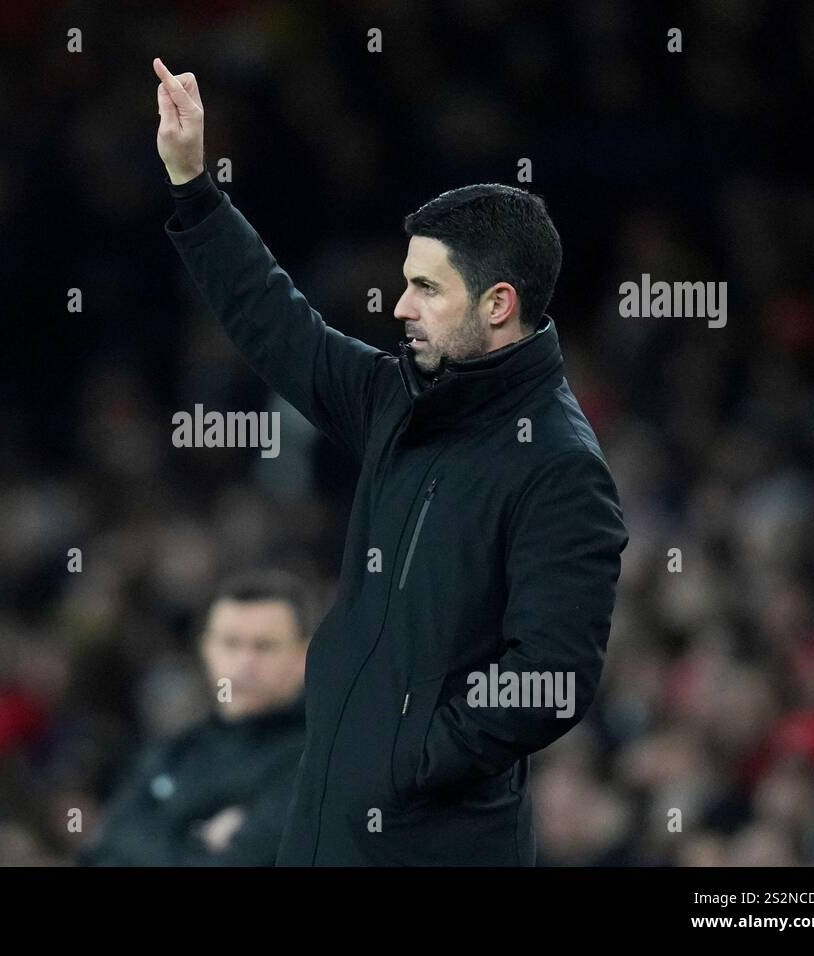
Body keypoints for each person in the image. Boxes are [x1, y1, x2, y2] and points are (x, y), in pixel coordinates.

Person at [152, 57, 629, 865]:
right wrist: (195, 189)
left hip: (436, 844)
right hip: (328, 823)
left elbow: (551, 678)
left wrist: (413, 758)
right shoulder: (400, 398)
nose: (399, 306)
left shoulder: (559, 468)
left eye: (425, 288)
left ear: (498, 305)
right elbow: (280, 326)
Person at [78, 570, 309, 865]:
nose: (244, 664)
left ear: (304, 655)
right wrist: (194, 843)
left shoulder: (315, 760)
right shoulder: (177, 749)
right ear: (206, 649)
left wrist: (152, 836)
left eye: (264, 646)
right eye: (231, 644)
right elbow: (104, 847)